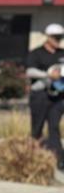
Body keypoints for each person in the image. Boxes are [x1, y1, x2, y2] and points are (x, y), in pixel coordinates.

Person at [25, 23, 64, 169]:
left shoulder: (62, 53)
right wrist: (48, 74)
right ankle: (33, 158)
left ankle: (58, 159)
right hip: (40, 95)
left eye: (60, 37)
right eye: (55, 37)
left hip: (58, 97)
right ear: (48, 37)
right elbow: (29, 72)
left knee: (54, 127)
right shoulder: (37, 53)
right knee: (37, 128)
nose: (58, 40)